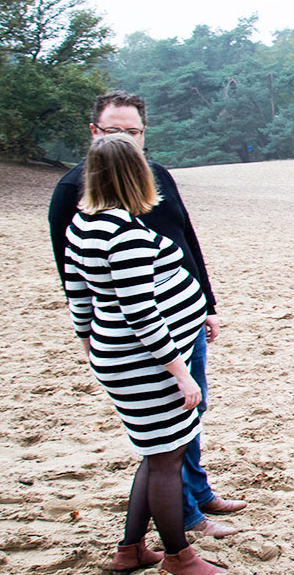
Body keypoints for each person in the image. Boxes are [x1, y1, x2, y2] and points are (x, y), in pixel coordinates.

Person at [49, 92, 245, 540]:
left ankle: (195, 495)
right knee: (166, 442)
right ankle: (183, 527)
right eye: (114, 131)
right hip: (148, 342)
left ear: (144, 134)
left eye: (133, 132)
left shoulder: (155, 180)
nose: (125, 140)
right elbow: (78, 280)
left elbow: (186, 239)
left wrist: (207, 305)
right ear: (94, 133)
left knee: (189, 417)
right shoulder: (79, 200)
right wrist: (103, 345)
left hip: (179, 325)